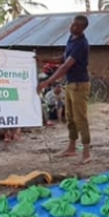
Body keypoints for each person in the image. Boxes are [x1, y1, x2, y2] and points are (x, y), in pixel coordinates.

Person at [37, 14, 92, 163]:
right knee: (70, 117)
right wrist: (45, 60)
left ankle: (86, 152)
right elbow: (63, 58)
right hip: (70, 83)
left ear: (82, 28)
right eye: (72, 24)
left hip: (79, 85)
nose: (72, 27)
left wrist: (47, 82)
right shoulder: (71, 39)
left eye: (76, 26)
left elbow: (66, 65)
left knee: (80, 118)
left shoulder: (82, 44)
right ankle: (71, 148)